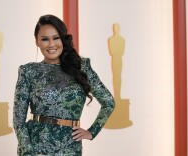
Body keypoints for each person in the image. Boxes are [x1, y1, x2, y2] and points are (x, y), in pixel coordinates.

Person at [13, 14, 115, 156]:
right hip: (37, 147)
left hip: (70, 147)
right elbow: (18, 120)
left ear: (63, 39)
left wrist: (92, 132)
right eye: (44, 39)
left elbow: (109, 102)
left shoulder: (82, 67)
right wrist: (28, 151)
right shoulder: (28, 71)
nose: (51, 44)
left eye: (56, 38)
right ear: (36, 41)